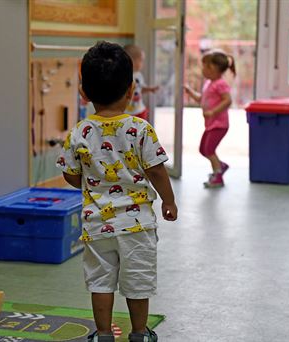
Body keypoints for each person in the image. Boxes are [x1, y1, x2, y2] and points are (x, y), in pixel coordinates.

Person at [57, 41, 178, 342]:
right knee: (137, 281)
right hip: (137, 225)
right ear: (130, 91)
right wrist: (169, 200)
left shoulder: (79, 132)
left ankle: (102, 335)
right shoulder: (140, 128)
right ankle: (139, 334)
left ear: (84, 93)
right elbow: (156, 170)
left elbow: (71, 176)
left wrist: (91, 179)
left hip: (97, 223)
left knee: (100, 282)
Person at [184, 50, 236, 188]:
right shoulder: (209, 83)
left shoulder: (220, 84)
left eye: (206, 67)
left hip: (219, 124)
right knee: (203, 149)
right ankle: (220, 165)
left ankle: (217, 176)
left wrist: (213, 111)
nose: (203, 70)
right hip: (211, 124)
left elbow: (228, 100)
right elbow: (202, 99)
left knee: (209, 150)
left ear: (215, 69)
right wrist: (190, 92)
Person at [123, 44, 159, 121]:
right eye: (141, 60)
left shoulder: (138, 75)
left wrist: (150, 89)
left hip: (139, 110)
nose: (142, 64)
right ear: (132, 60)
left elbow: (140, 88)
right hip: (126, 112)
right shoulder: (124, 76)